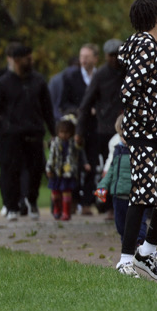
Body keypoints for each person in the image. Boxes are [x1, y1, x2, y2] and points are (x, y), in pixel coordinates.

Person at [114, 0, 157, 281]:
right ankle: (126, 259)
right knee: (143, 193)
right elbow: (129, 90)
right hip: (148, 135)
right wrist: (151, 121)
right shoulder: (146, 46)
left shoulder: (147, 46)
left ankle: (147, 252)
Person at [0, 43, 56, 220]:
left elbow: (47, 109)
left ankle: (32, 200)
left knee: (35, 170)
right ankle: (11, 205)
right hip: (9, 134)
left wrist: (53, 132)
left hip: (33, 132)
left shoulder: (38, 81)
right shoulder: (2, 83)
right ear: (17, 60)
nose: (32, 61)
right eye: (28, 59)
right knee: (9, 170)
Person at [96, 114, 150, 246]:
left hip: (136, 195)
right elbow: (112, 171)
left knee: (139, 221)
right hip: (119, 194)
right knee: (120, 222)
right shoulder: (118, 150)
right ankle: (126, 242)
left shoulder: (141, 150)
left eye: (126, 135)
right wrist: (102, 186)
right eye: (121, 135)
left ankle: (139, 241)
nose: (123, 139)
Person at [59, 43, 100, 215]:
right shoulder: (71, 78)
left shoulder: (102, 76)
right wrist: (80, 110)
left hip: (96, 126)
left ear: (95, 58)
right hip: (77, 127)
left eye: (87, 56)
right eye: (81, 56)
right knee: (73, 163)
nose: (83, 60)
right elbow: (63, 103)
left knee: (92, 163)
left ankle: (87, 202)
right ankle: (74, 198)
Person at [76, 39, 125, 179]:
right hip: (106, 128)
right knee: (109, 165)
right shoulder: (101, 75)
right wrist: (79, 131)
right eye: (111, 55)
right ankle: (106, 197)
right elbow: (85, 105)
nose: (115, 59)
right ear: (106, 56)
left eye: (117, 55)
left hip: (129, 127)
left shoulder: (130, 71)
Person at [46, 115, 88, 221]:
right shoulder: (55, 143)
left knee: (66, 192)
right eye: (61, 132)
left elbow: (79, 147)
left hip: (68, 173)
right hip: (56, 172)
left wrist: (79, 140)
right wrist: (49, 169)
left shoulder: (72, 143)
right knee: (55, 193)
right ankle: (57, 209)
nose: (64, 135)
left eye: (67, 133)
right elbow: (51, 157)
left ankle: (66, 212)